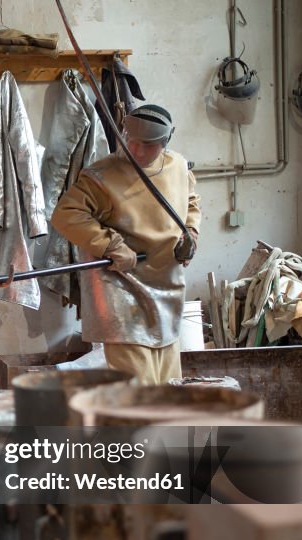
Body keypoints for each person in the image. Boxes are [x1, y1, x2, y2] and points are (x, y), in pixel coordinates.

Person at [52, 104, 201, 385]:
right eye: (131, 141)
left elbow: (191, 201)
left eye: (148, 145)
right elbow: (65, 214)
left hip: (166, 284)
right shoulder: (101, 175)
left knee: (168, 386)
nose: (137, 150)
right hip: (122, 288)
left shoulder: (178, 166)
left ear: (165, 143)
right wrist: (109, 245)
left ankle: (162, 429)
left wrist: (190, 233)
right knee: (138, 388)